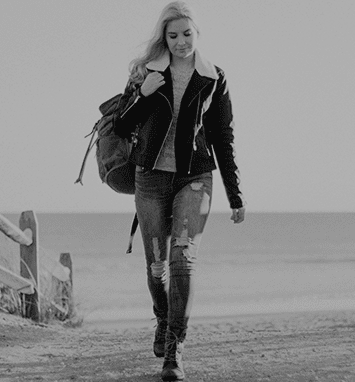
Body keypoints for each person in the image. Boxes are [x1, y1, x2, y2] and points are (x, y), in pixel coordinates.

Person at [114, 2, 245, 380]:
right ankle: (162, 318)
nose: (181, 42)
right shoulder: (146, 72)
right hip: (151, 179)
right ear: (164, 38)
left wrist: (235, 194)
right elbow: (122, 128)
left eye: (187, 34)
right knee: (157, 268)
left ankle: (175, 350)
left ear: (197, 34)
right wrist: (144, 94)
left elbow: (223, 136)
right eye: (173, 36)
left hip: (196, 178)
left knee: (182, 261)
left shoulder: (214, 77)